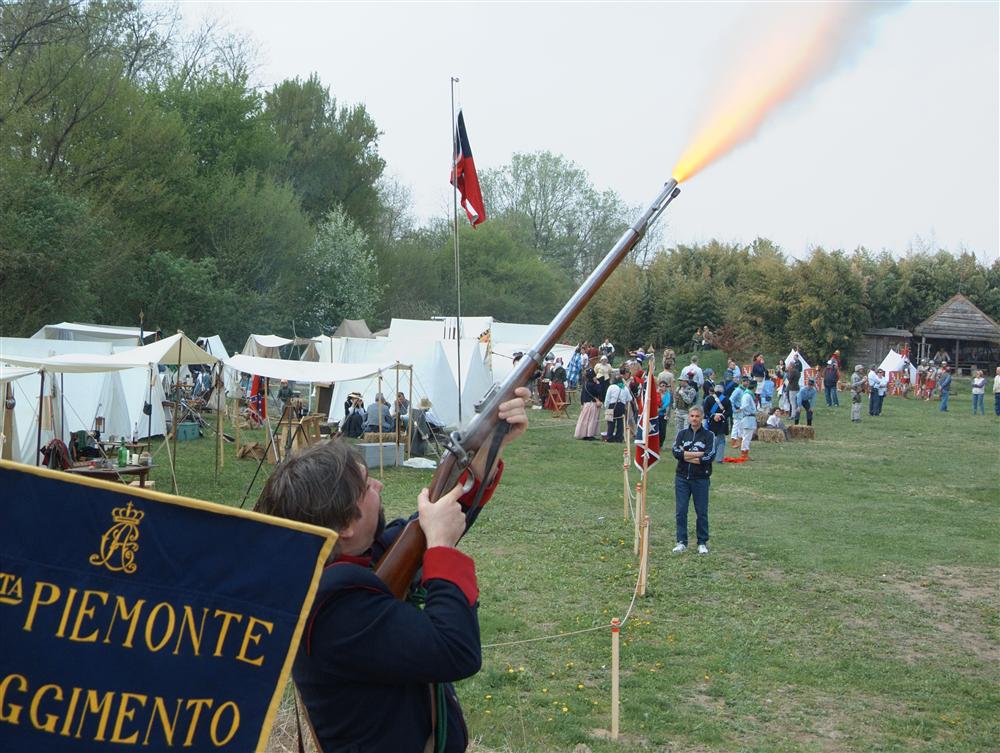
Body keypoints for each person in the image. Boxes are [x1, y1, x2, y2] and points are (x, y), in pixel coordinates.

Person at [255, 389, 529, 753]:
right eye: (367, 486)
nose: (379, 485)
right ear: (346, 525)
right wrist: (442, 548)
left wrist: (492, 442)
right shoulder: (335, 606)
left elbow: (441, 513)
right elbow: (455, 649)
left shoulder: (350, 562)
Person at [671, 405, 716, 556]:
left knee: (701, 511)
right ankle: (681, 541)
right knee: (681, 510)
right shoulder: (682, 434)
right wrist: (695, 455)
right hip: (682, 477)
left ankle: (702, 542)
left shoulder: (709, 435)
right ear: (689, 417)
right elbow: (676, 452)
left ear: (702, 417)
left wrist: (687, 455)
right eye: (692, 416)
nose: (694, 419)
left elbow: (709, 456)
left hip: (701, 479)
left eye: (697, 416)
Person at [703, 383, 730, 464]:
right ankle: (718, 458)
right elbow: (729, 412)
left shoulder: (708, 399)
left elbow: (706, 410)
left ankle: (710, 454)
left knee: (712, 438)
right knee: (721, 440)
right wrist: (721, 417)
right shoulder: (726, 399)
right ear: (722, 390)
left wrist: (713, 416)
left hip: (712, 421)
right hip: (722, 422)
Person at [574, 369, 602, 440]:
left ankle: (584, 434)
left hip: (586, 404)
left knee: (585, 420)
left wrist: (582, 403)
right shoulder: (593, 384)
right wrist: (598, 384)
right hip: (592, 404)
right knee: (591, 420)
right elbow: (599, 392)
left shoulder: (586, 384)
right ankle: (589, 435)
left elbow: (582, 395)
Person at [735, 379, 757, 460]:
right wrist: (742, 410)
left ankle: (745, 453)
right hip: (748, 417)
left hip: (750, 417)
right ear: (754, 388)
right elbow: (744, 406)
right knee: (746, 437)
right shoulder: (747, 395)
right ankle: (744, 453)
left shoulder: (749, 395)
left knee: (748, 437)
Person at [603, 375, 627, 442]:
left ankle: (609, 437)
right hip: (621, 405)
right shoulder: (624, 387)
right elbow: (629, 398)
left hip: (612, 405)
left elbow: (607, 398)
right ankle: (619, 438)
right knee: (620, 423)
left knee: (610, 422)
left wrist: (606, 407)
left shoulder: (611, 387)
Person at [785, 356, 802, 423]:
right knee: (796, 402)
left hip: (792, 388)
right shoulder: (797, 371)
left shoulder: (792, 372)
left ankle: (793, 415)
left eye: (789, 365)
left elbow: (790, 379)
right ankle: (796, 414)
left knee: (792, 402)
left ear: (791, 366)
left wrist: (787, 373)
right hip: (797, 387)